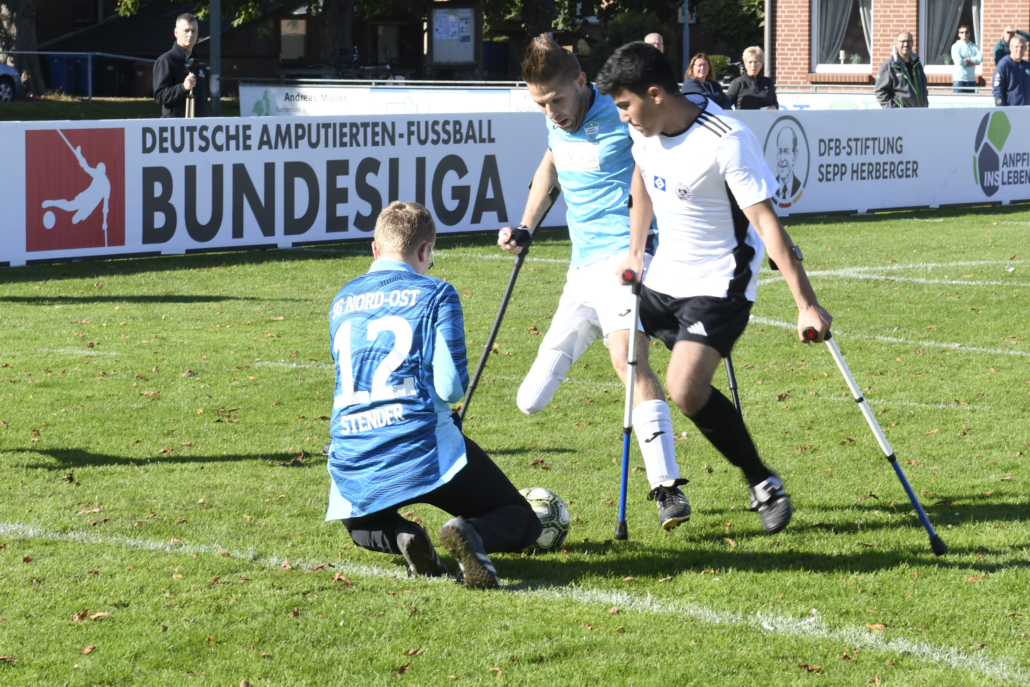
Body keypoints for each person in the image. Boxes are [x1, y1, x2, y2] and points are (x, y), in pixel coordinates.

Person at [596, 42, 833, 534]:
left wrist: (806, 305)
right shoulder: (644, 131)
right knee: (623, 346)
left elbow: (767, 225)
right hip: (665, 276)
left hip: (720, 281)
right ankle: (666, 484)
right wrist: (636, 251)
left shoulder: (726, 139)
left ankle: (762, 481)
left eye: (625, 105)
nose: (623, 117)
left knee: (685, 387)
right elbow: (642, 179)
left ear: (655, 94)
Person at [498, 34, 691, 531]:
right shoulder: (555, 122)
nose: (551, 112)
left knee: (628, 359)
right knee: (529, 400)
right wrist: (525, 226)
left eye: (556, 100)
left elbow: (660, 157)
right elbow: (550, 164)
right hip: (580, 272)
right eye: (540, 104)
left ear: (581, 82)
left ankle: (667, 487)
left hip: (625, 261)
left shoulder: (620, 112)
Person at [325, 201, 542, 589]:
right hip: (421, 445)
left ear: (375, 249)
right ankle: (471, 533)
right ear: (425, 250)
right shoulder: (436, 292)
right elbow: (450, 387)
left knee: (360, 525)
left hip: (355, 451)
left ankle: (403, 536)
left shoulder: (341, 299)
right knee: (521, 519)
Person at [153, 13, 208, 118]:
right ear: (176, 32)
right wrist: (183, 87)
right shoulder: (167, 60)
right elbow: (159, 96)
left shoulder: (199, 63)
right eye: (186, 31)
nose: (190, 35)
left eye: (194, 31)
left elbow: (204, 97)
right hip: (175, 125)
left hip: (199, 125)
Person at [875, 31, 928, 108]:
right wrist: (894, 110)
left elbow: (923, 87)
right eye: (903, 41)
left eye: (909, 41)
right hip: (900, 114)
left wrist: (925, 104)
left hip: (920, 112)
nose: (906, 44)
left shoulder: (917, 64)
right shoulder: (888, 66)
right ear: (896, 43)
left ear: (912, 43)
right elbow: (880, 92)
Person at [993, 34, 1030, 106]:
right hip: (1010, 110)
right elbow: (997, 90)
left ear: (1025, 49)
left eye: (1022, 47)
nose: (1019, 49)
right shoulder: (1003, 65)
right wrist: (1000, 108)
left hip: (1027, 110)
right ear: (1010, 48)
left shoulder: (1028, 65)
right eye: (1016, 47)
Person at [950, 25, 982, 93]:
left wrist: (969, 60)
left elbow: (980, 58)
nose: (964, 33)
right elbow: (959, 62)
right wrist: (973, 62)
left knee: (971, 100)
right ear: (959, 35)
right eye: (962, 32)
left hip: (971, 80)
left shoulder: (974, 46)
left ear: (969, 34)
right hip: (959, 80)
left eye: (966, 32)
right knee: (957, 100)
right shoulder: (955, 46)